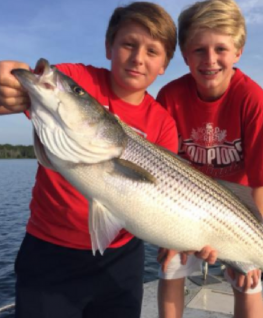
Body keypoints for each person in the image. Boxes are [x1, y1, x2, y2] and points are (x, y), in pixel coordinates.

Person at [0, 3, 178, 317]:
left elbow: (167, 197)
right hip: (50, 253)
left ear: (164, 64)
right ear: (109, 47)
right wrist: (7, 83)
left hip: (122, 259)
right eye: (128, 44)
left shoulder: (163, 123)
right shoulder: (76, 79)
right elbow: (28, 88)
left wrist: (181, 237)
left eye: (152, 51)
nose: (138, 58)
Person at [154, 1, 263, 318]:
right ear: (185, 55)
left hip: (240, 204)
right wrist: (168, 234)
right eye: (199, 50)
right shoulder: (170, 97)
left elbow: (262, 179)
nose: (210, 59)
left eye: (221, 49)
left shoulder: (251, 97)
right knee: (171, 264)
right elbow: (161, 171)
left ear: (238, 51)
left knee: (247, 279)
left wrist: (251, 244)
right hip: (183, 201)